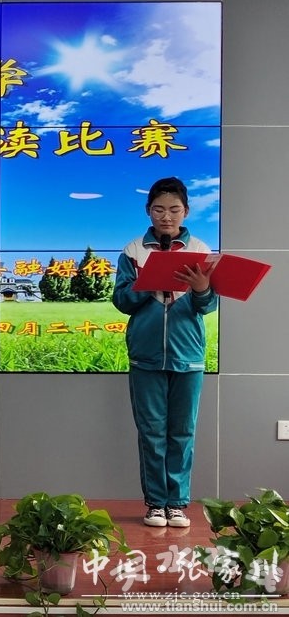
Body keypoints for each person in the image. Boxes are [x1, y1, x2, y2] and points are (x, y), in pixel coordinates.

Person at [112, 177, 218, 529]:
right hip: (145, 356)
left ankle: (178, 504)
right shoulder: (133, 251)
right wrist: (149, 284)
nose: (166, 216)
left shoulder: (200, 249)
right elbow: (122, 300)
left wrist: (202, 289)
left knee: (183, 432)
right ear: (148, 211)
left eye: (174, 209)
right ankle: (156, 504)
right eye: (159, 209)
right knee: (152, 433)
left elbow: (208, 306)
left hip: (189, 355)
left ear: (186, 211)